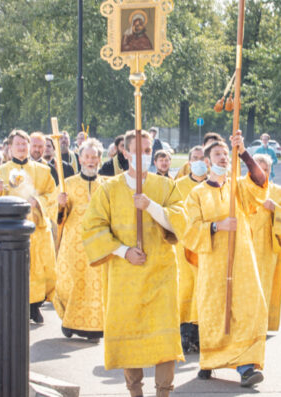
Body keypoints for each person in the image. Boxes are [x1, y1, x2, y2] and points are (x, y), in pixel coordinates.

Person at [83, 129, 187, 397]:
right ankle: (135, 392)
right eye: (137, 150)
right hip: (125, 274)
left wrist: (151, 206)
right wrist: (123, 251)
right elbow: (94, 228)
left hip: (160, 272)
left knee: (164, 337)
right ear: (124, 153)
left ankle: (164, 392)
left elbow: (180, 221)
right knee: (129, 334)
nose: (143, 155)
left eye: (147, 150)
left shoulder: (165, 186)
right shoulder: (108, 188)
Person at [182, 131, 269, 387]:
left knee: (248, 307)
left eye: (225, 154)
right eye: (217, 154)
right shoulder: (196, 194)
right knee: (215, 310)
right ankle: (211, 360)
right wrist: (216, 226)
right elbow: (189, 230)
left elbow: (261, 181)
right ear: (207, 162)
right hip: (214, 264)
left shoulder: (237, 186)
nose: (222, 157)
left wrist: (242, 152)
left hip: (242, 260)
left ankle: (245, 366)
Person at [0, 130, 57, 324]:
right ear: (10, 147)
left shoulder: (43, 170)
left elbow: (52, 194)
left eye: (25, 145)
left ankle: (35, 306)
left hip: (37, 228)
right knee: (16, 267)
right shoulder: (1, 171)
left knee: (39, 268)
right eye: (18, 145)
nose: (22, 148)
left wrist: (38, 201)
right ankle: (18, 307)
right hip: (12, 229)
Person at [54, 138, 106, 341]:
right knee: (72, 283)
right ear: (80, 158)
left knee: (96, 285)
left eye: (95, 157)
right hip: (73, 243)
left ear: (100, 159)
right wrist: (60, 205)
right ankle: (69, 321)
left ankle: (95, 327)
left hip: (99, 242)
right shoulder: (68, 184)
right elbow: (58, 216)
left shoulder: (107, 185)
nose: (91, 160)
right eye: (87, 156)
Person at [249, 153, 281, 331]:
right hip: (243, 247)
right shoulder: (239, 189)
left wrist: (276, 209)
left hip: (267, 250)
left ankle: (260, 325)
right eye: (257, 168)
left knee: (263, 285)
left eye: (266, 169)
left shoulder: (279, 193)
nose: (261, 172)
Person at [174, 145, 208, 353]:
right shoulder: (177, 186)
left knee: (203, 288)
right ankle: (184, 331)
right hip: (183, 246)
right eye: (195, 158)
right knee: (185, 287)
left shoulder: (215, 186)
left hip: (207, 245)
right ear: (188, 162)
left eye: (203, 158)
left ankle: (202, 332)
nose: (199, 161)